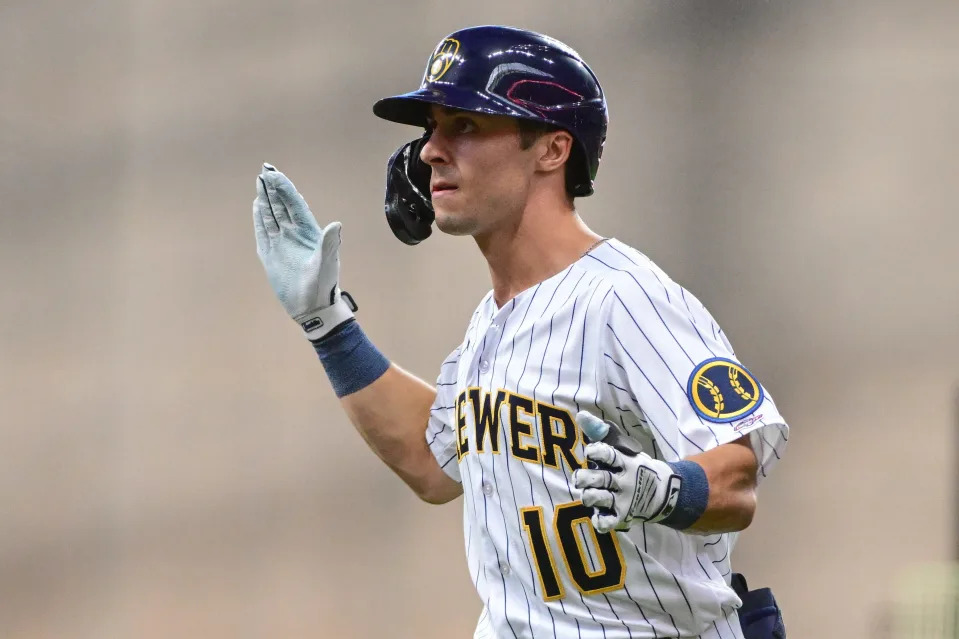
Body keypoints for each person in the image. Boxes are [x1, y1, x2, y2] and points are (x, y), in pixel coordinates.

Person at [252, 25, 788, 639]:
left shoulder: (624, 298)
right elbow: (432, 462)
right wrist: (328, 324)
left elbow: (738, 477)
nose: (430, 150)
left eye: (467, 126)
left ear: (552, 150)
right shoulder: (492, 321)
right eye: (431, 128)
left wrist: (664, 489)